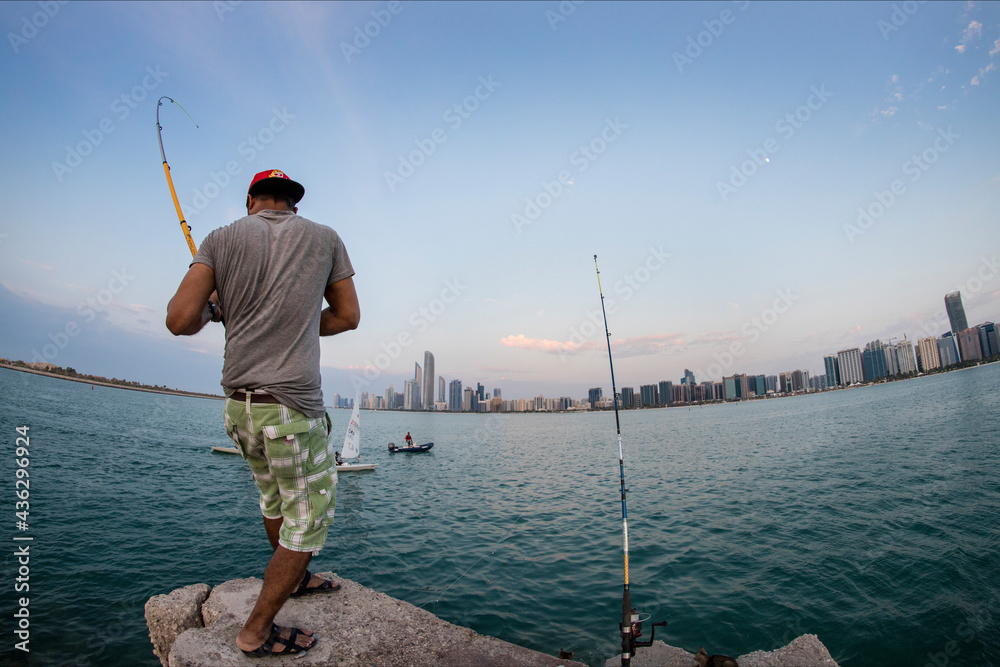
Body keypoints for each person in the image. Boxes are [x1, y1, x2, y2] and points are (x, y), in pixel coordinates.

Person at [166, 169, 360, 657]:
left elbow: (180, 320)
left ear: (251, 200)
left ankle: (295, 579)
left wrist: (219, 308)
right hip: (291, 409)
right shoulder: (325, 237)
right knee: (308, 519)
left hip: (239, 410)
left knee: (275, 501)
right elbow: (347, 316)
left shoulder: (219, 238)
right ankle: (255, 631)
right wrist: (293, 322)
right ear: (292, 204)